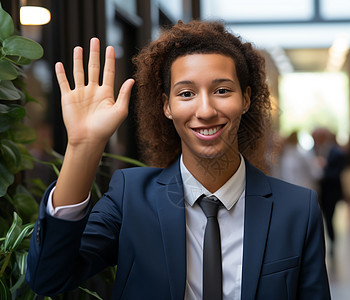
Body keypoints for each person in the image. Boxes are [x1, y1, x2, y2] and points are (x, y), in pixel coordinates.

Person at [26, 20, 330, 299]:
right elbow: (48, 278)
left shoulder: (297, 210)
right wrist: (83, 145)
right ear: (166, 106)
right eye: (186, 94)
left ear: (246, 99)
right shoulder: (130, 198)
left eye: (222, 90)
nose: (206, 109)